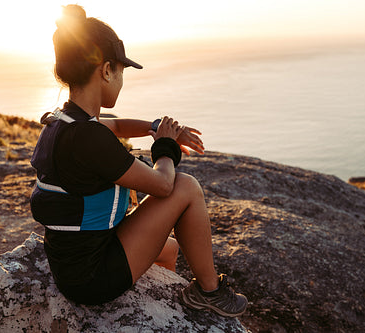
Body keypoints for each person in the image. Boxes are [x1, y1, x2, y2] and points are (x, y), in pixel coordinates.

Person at [30, 4, 247, 317]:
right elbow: (162, 185)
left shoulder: (64, 122)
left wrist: (157, 128)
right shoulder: (88, 138)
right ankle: (209, 292)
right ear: (106, 70)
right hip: (91, 278)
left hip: (73, 262)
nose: (121, 79)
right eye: (121, 71)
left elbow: (116, 125)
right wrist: (166, 148)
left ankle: (165, 309)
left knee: (168, 248)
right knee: (186, 187)